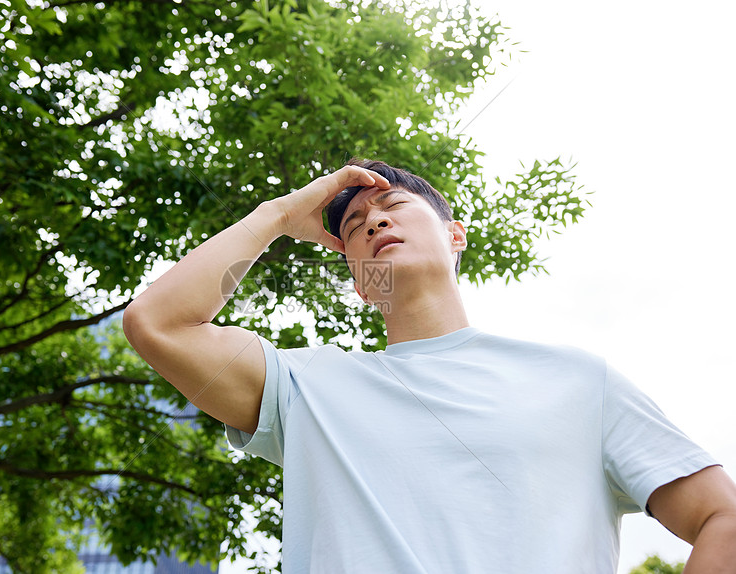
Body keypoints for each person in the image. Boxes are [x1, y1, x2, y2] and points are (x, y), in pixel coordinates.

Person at [122, 159, 736, 573]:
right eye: (355, 228)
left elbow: (721, 516)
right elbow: (160, 323)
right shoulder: (304, 388)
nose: (375, 223)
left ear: (456, 235)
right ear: (361, 283)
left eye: (392, 206)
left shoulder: (578, 381)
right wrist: (279, 217)